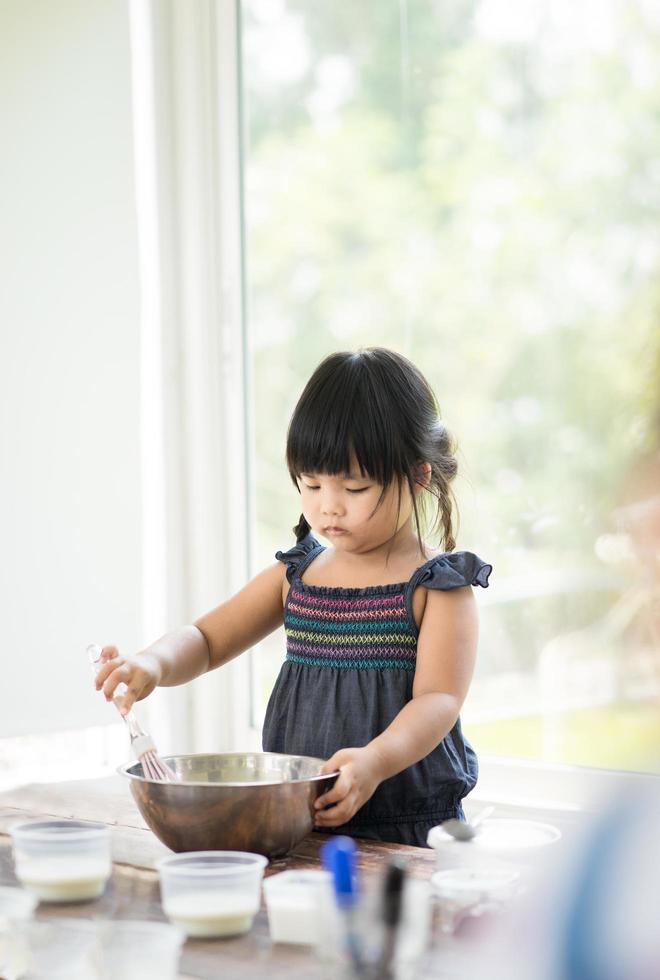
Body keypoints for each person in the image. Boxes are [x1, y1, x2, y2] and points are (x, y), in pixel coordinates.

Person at [94, 348, 492, 846]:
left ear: (418, 476)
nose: (329, 506)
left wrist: (373, 762)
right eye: (311, 483)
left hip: (406, 828)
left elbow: (439, 699)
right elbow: (207, 639)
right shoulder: (297, 576)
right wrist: (152, 664)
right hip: (297, 821)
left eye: (355, 486)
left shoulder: (437, 586)